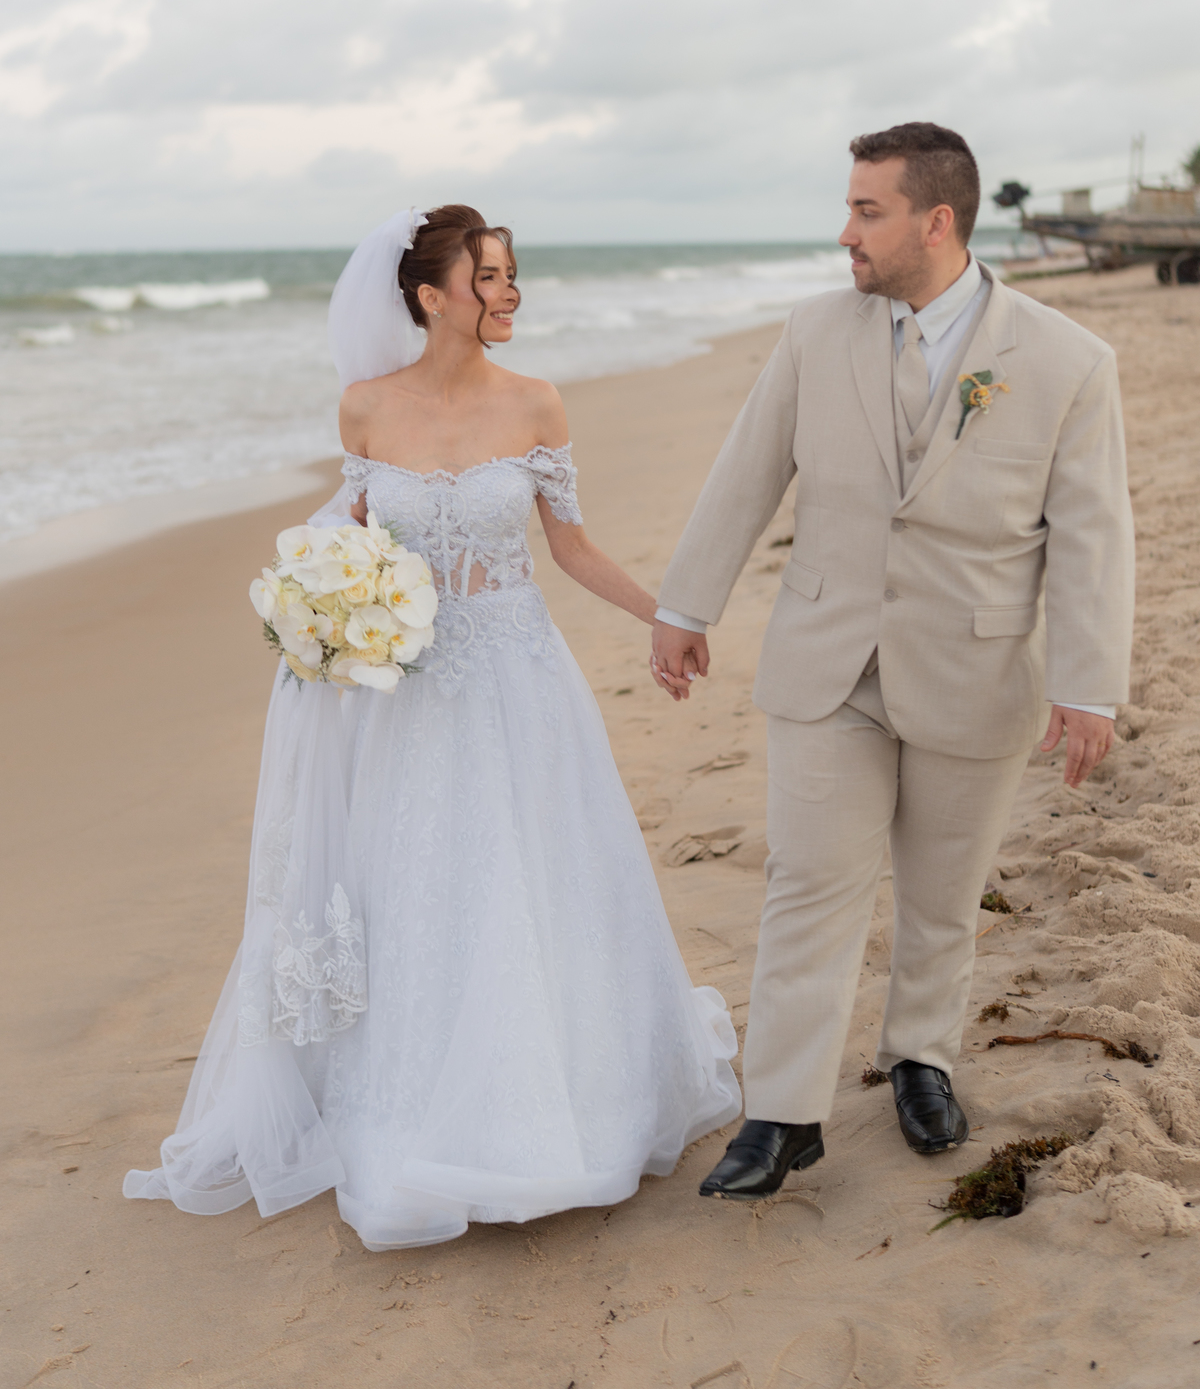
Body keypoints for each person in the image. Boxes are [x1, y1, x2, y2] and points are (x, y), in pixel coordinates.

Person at [124, 204, 739, 1250]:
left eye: (511, 274)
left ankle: (560, 1098)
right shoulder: (365, 410)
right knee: (420, 883)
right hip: (407, 691)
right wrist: (322, 618)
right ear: (430, 295)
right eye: (487, 276)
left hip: (518, 678)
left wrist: (668, 617)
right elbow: (350, 546)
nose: (508, 292)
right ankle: (416, 1105)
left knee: (528, 874)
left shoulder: (537, 402)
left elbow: (571, 550)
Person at [649, 122, 1135, 1200]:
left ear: (936, 221)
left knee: (942, 895)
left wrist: (1088, 685)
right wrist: (685, 604)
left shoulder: (1068, 362)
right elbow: (748, 469)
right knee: (807, 885)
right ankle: (782, 1113)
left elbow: (1094, 536)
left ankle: (921, 1059)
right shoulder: (815, 331)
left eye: (867, 211)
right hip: (828, 662)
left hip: (975, 667)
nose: (846, 232)